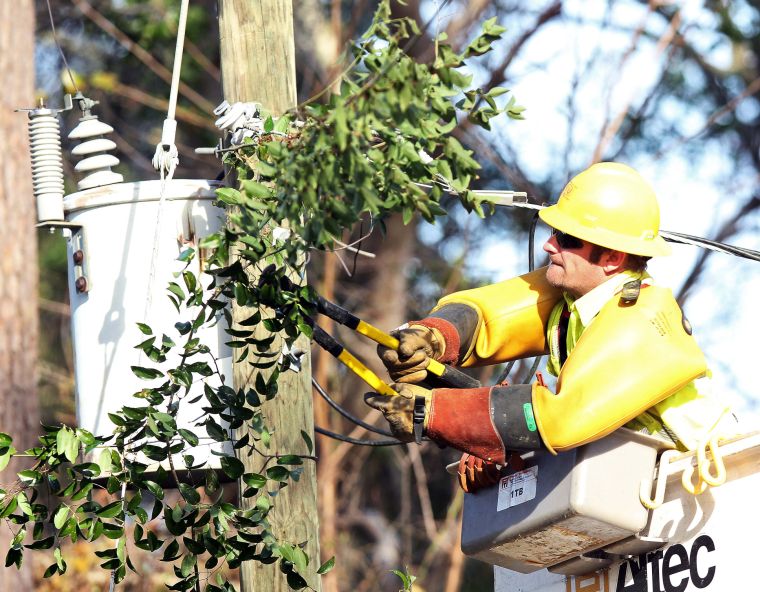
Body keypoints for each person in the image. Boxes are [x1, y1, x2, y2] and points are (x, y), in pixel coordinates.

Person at [364, 162, 733, 481]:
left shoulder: (640, 317)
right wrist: (434, 337)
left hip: (713, 478)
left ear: (612, 259)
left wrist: (434, 413)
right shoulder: (576, 297)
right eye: (554, 233)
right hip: (649, 478)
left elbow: (561, 418)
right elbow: (494, 313)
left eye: (569, 239)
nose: (549, 246)